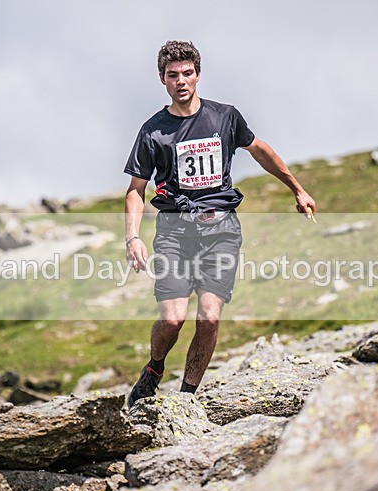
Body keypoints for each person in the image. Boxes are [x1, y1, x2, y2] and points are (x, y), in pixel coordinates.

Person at [124, 40, 316, 408]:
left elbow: (259, 149)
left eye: (187, 73)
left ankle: (187, 398)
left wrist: (297, 188)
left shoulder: (224, 117)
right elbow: (135, 190)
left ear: (198, 74)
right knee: (173, 320)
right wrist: (133, 237)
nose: (181, 81)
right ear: (162, 79)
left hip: (221, 231)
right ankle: (154, 369)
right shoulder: (153, 131)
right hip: (175, 234)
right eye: (172, 75)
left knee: (209, 319)